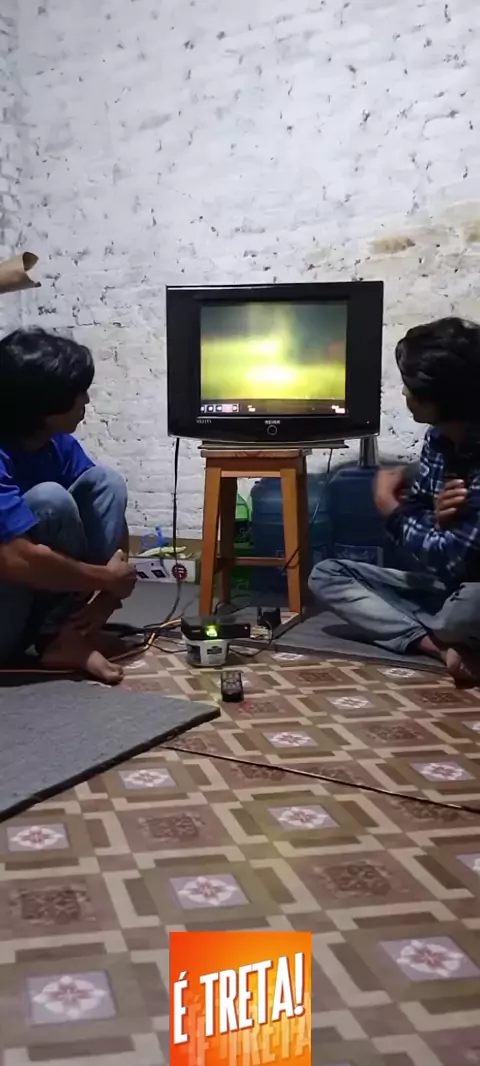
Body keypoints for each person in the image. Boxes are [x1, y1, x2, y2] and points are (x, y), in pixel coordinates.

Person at [309, 316, 480, 686]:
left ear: (439, 397)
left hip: (471, 592)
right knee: (327, 575)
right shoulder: (438, 439)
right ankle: (441, 647)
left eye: (409, 386)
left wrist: (391, 510)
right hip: (451, 584)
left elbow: (448, 555)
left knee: (463, 614)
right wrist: (435, 520)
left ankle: (445, 631)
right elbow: (425, 515)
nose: (403, 393)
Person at [0, 327, 137, 684]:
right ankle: (57, 637)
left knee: (106, 482)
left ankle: (66, 637)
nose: (86, 400)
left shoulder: (56, 441)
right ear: (43, 405)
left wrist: (109, 596)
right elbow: (14, 558)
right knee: (50, 499)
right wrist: (107, 579)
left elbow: (110, 513)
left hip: (39, 604)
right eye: (77, 393)